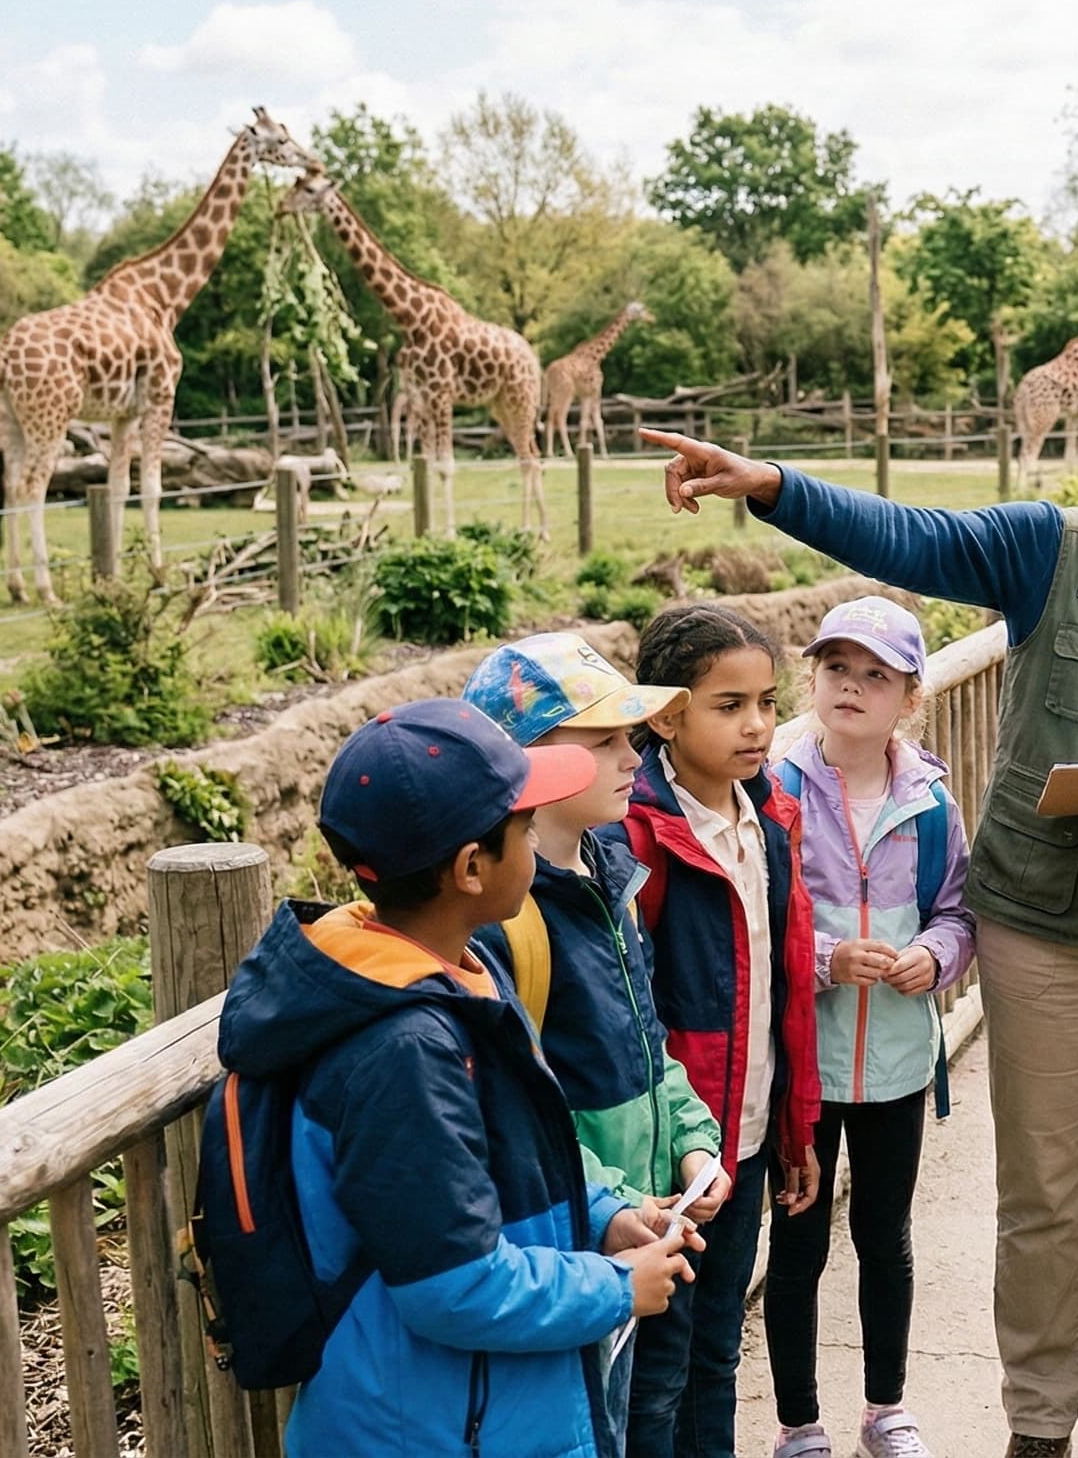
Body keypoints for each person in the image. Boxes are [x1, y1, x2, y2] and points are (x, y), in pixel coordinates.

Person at [644, 337, 1078, 1458]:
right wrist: (769, 487)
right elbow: (910, 535)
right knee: (1040, 1197)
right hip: (1037, 924)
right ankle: (1038, 1424)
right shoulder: (1044, 547)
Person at [217, 698, 698, 1458]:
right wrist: (614, 1288)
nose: (538, 838)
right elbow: (453, 1285)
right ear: (473, 868)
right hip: (433, 1427)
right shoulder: (401, 1050)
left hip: (486, 1407)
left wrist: (600, 1212)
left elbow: (508, 1154)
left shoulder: (456, 972)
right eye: (524, 827)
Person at [459, 635, 734, 1452]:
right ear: (529, 763)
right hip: (581, 1246)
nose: (633, 757)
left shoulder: (611, 872)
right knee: (596, 1422)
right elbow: (516, 1108)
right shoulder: (503, 923)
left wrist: (692, 1146)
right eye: (605, 740)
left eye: (633, 737)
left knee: (655, 1409)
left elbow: (650, 1041)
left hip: (658, 1226)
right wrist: (610, 1205)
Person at [764, 597, 977, 1458]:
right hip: (803, 1067)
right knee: (797, 1244)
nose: (851, 686)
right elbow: (759, 915)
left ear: (909, 698)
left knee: (884, 1238)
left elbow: (960, 913)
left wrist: (934, 954)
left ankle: (886, 1410)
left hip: (895, 1063)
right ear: (812, 679)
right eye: (837, 668)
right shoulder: (773, 791)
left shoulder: (930, 806)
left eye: (875, 675)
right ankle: (798, 1423)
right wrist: (820, 958)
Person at [616, 604, 824, 1458]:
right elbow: (630, 1011)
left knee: (715, 1349)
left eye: (769, 702)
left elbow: (787, 987)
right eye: (729, 705)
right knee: (657, 1370)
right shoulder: (634, 836)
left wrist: (795, 1127)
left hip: (742, 1140)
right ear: (666, 715)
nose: (758, 725)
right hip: (670, 1156)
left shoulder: (769, 814)